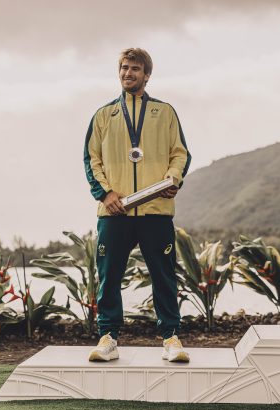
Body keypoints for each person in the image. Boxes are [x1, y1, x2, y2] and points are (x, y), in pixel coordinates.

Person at [83, 48, 192, 362]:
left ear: (147, 75)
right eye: (124, 68)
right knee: (109, 276)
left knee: (163, 275)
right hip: (114, 211)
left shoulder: (165, 112)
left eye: (135, 69)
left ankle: (171, 338)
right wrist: (105, 194)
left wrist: (173, 180)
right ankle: (108, 338)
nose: (128, 73)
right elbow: (92, 160)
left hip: (155, 211)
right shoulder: (103, 115)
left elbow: (180, 153)